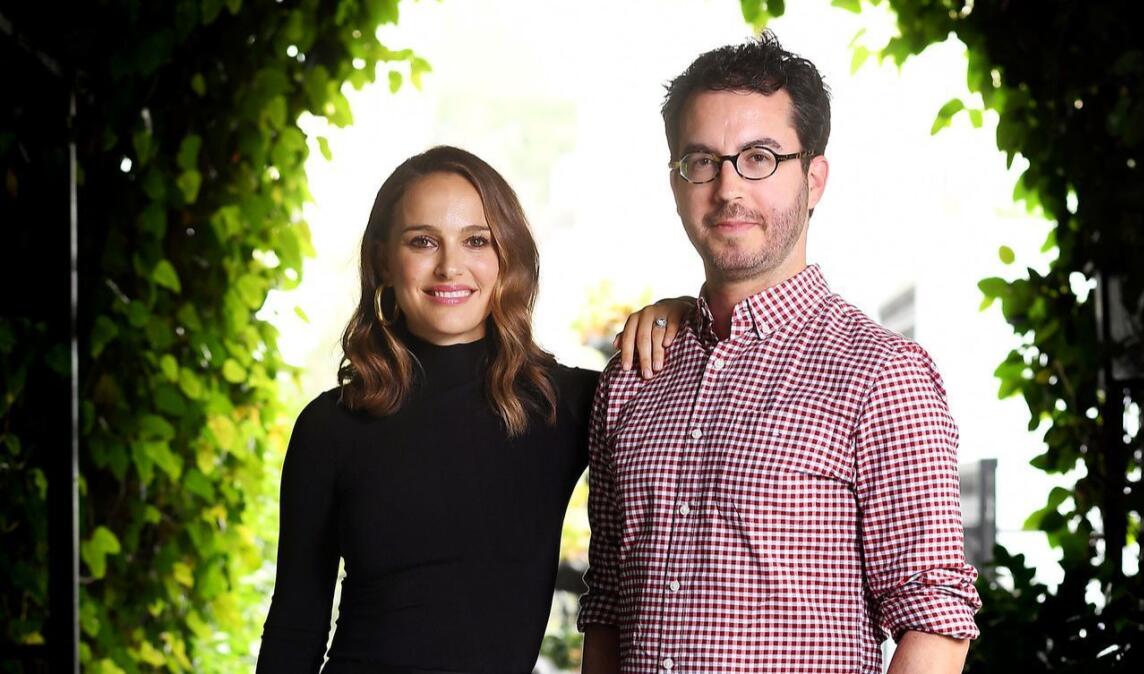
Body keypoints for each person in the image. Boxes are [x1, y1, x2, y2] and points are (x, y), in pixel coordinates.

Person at [578, 33, 982, 674]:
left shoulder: (882, 376)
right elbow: (605, 610)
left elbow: (935, 622)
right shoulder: (633, 377)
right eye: (701, 161)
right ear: (676, 181)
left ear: (814, 178)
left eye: (760, 157)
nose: (728, 187)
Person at [256, 145, 688, 674]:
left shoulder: (569, 404)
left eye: (476, 240)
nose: (450, 265)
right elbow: (295, 624)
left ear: (507, 258)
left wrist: (678, 310)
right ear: (383, 260)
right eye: (422, 241)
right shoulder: (329, 427)